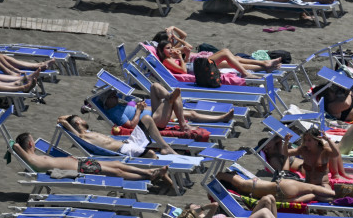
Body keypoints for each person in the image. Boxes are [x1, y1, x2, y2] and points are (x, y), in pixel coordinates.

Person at [12, 132, 175, 193]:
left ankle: (149, 174)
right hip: (79, 169)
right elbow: (16, 146)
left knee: (117, 165)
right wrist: (12, 144)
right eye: (32, 141)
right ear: (30, 144)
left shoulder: (35, 158)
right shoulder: (32, 159)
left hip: (81, 164)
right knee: (116, 172)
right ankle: (149, 176)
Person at [152, 27, 281, 77]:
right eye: (168, 46)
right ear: (162, 48)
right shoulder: (167, 59)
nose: (171, 47)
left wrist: (174, 30)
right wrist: (180, 56)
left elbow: (185, 39)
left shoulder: (170, 54)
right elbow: (184, 71)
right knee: (226, 53)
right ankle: (256, 68)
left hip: (198, 63)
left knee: (231, 60)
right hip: (198, 65)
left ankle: (264, 65)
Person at [99, 85, 233, 131]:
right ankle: (180, 120)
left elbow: (133, 106)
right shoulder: (115, 113)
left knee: (155, 86)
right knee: (174, 99)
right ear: (107, 101)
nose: (116, 96)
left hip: (154, 113)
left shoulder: (119, 104)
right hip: (153, 121)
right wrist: (139, 110)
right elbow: (131, 126)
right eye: (112, 96)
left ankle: (222, 118)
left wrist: (140, 105)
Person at [59, 113, 179, 156]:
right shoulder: (83, 137)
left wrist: (69, 120)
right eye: (81, 119)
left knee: (147, 118)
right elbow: (62, 120)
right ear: (77, 122)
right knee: (151, 154)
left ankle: (165, 147)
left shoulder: (88, 133)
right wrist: (68, 123)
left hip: (128, 142)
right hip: (124, 149)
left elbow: (63, 118)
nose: (84, 119)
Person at [178, 197, 280, 218]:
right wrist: (201, 208)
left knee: (268, 199)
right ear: (192, 212)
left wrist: (199, 209)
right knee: (264, 212)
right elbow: (214, 205)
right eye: (194, 206)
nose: (197, 205)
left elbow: (214, 205)